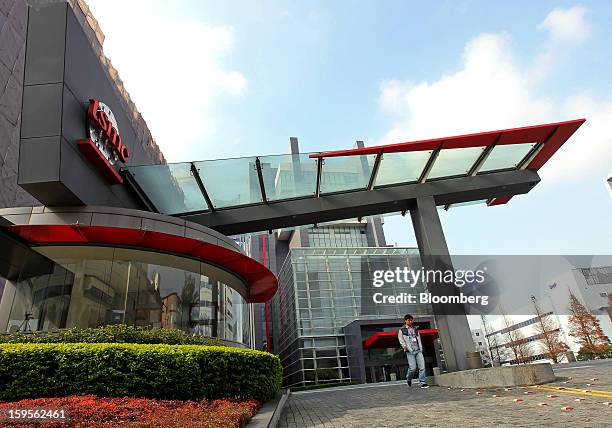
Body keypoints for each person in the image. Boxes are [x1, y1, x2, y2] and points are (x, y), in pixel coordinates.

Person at [398, 314, 429, 388]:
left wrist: (421, 348)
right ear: (405, 321)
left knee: (422, 367)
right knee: (413, 368)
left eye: (411, 320)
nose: (410, 321)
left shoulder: (415, 329)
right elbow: (401, 340)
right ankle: (409, 378)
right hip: (410, 351)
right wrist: (404, 346)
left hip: (418, 350)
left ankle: (423, 382)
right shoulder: (402, 330)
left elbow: (419, 339)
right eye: (408, 320)